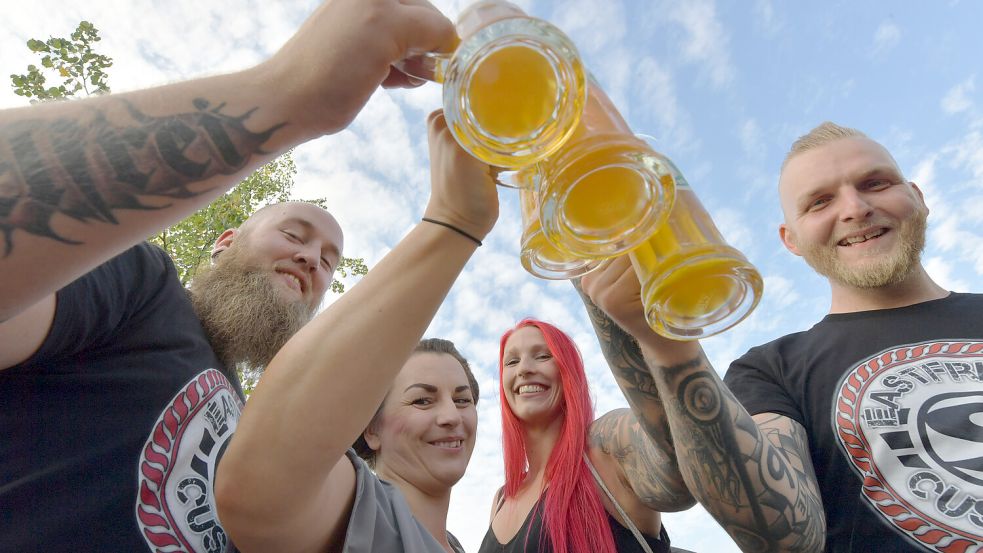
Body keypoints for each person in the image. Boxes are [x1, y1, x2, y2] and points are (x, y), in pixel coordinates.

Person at [0, 1, 457, 551]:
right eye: (295, 235)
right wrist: (287, 95)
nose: (314, 259)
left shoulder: (261, 424)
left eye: (330, 261)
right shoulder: (141, 287)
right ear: (223, 244)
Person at [580, 122, 983, 552]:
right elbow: (788, 535)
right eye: (819, 202)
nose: (855, 208)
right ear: (790, 239)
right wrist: (666, 344)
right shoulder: (772, 369)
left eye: (875, 182)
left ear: (917, 198)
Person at [215, 109, 499, 552]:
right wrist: (454, 223)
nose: (451, 415)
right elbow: (258, 485)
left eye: (463, 399)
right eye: (422, 399)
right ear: (370, 430)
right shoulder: (354, 508)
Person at [479, 317, 695, 553]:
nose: (524, 369)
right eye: (511, 362)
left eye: (543, 356)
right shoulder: (501, 498)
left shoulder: (606, 445)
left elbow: (683, 464)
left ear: (568, 370)